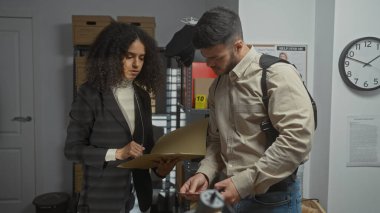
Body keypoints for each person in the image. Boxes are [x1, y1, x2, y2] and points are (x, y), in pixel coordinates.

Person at [179, 7, 315, 213]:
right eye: (206, 57)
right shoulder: (217, 87)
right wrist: (204, 173)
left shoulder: (277, 75)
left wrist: (243, 183)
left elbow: (297, 141)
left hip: (273, 199)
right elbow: (216, 141)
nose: (209, 64)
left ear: (238, 45)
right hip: (230, 195)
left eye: (216, 57)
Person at [64, 22, 177, 213]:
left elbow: (146, 149)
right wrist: (117, 153)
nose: (136, 65)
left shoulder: (142, 96)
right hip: (102, 200)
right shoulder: (90, 93)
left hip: (138, 200)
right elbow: (72, 150)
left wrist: (159, 171)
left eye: (141, 58)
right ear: (113, 56)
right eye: (129, 56)